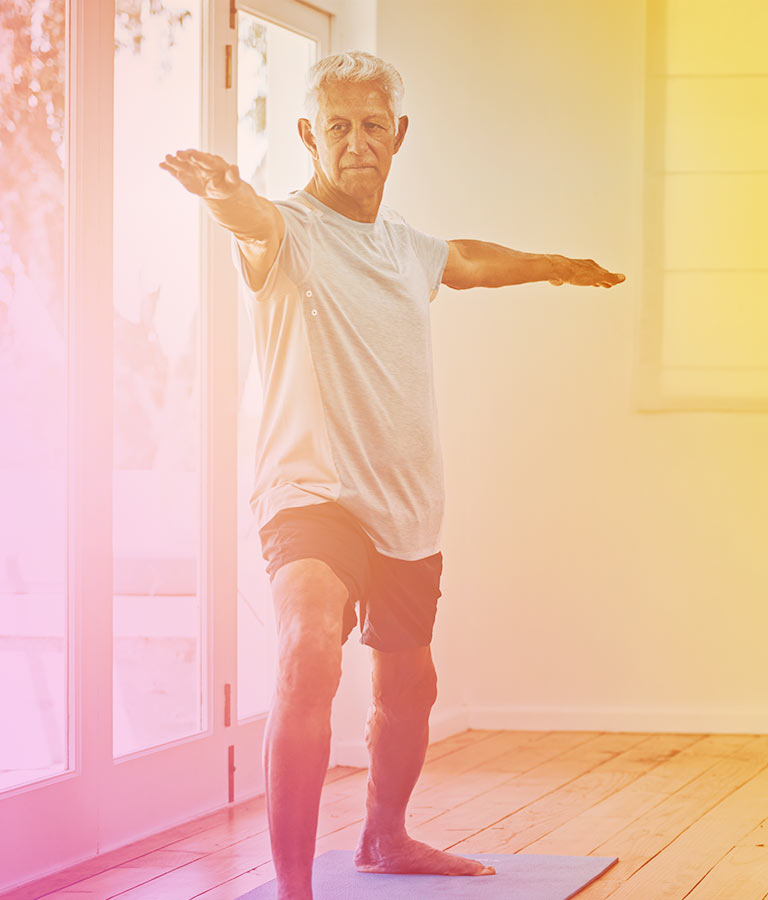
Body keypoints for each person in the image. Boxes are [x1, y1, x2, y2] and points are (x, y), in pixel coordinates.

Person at [160, 49, 625, 900]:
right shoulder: (289, 228)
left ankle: (386, 837)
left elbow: (471, 258)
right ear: (309, 134)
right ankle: (294, 887)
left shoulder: (408, 248)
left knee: (409, 686)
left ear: (399, 134)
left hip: (406, 506)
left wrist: (556, 264)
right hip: (311, 495)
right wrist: (222, 190)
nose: (357, 142)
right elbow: (249, 218)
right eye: (337, 126)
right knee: (306, 649)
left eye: (373, 125)